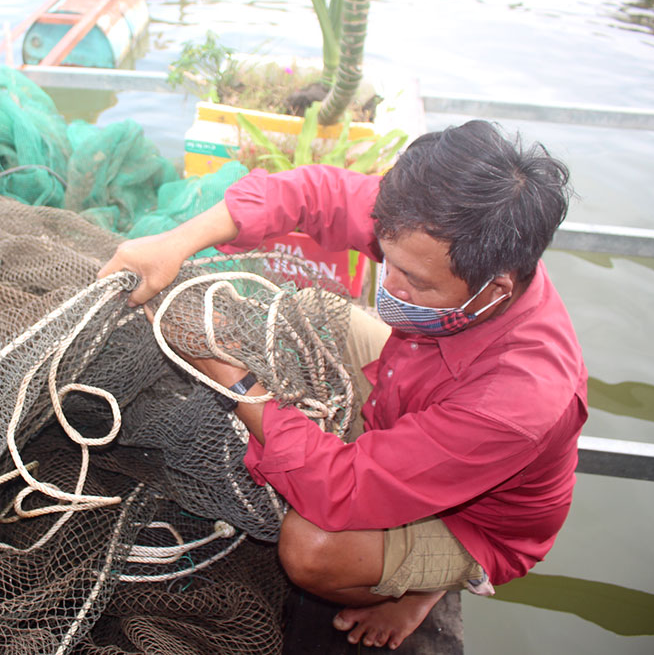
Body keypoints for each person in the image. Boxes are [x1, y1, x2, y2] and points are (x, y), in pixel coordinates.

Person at [97, 120, 587, 650]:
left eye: (415, 282)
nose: (389, 286)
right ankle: (379, 451)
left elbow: (344, 490)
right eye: (386, 258)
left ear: (494, 290)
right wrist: (175, 243)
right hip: (416, 378)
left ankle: (427, 585)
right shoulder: (436, 226)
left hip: (473, 519)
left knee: (311, 546)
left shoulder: (519, 400)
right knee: (306, 312)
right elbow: (310, 195)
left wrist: (236, 382)